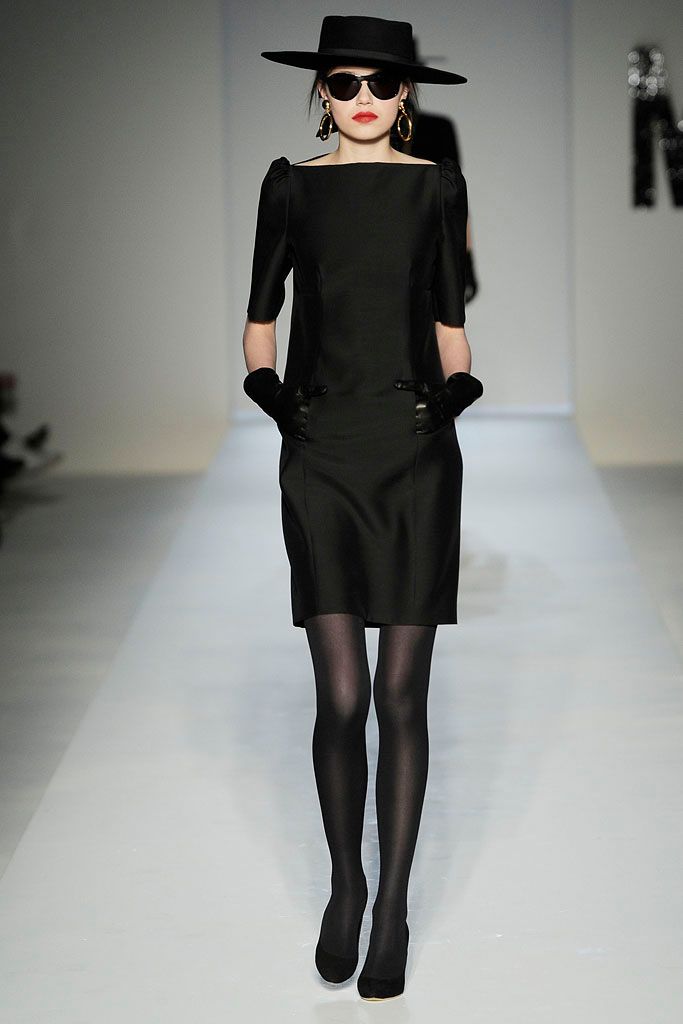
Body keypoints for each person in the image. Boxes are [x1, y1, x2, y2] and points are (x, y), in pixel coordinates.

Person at [242, 15, 484, 1001]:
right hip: (320, 455)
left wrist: (452, 395)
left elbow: (451, 327)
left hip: (415, 454)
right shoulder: (289, 187)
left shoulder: (435, 188)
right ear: (320, 93)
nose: (363, 99)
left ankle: (392, 911)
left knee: (399, 698)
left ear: (406, 94)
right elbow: (260, 321)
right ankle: (345, 887)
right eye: (343, 83)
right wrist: (272, 397)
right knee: (340, 698)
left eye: (381, 84)